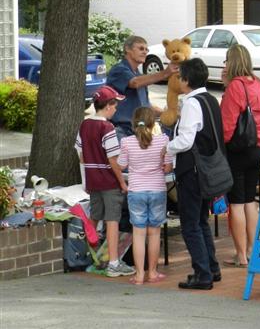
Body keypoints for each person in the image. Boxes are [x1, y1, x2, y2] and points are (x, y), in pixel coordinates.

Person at [165, 58, 223, 290]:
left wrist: (167, 148)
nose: (178, 80)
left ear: (186, 80)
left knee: (190, 224)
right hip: (208, 170)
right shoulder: (210, 99)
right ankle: (211, 267)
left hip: (192, 171)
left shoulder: (191, 104)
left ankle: (202, 274)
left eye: (180, 77)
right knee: (201, 221)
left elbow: (187, 140)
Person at [75, 86, 135, 278]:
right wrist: (122, 183)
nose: (116, 108)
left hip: (92, 180)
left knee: (95, 216)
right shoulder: (107, 128)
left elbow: (80, 152)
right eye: (115, 104)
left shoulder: (85, 125)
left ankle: (89, 255)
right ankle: (114, 263)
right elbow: (113, 159)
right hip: (108, 181)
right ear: (108, 106)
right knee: (112, 220)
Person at [220, 44, 260, 268]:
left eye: (226, 61)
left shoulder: (234, 87)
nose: (225, 65)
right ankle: (251, 249)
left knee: (236, 203)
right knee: (250, 201)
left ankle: (241, 255)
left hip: (239, 149)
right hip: (258, 146)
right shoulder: (258, 83)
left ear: (232, 62)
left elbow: (227, 125)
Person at [117, 107, 172, 285]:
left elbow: (121, 164)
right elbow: (168, 167)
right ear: (153, 123)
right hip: (157, 189)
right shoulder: (163, 140)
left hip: (136, 191)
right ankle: (153, 272)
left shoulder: (126, 142)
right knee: (154, 233)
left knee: (138, 234)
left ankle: (139, 274)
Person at [107, 35, 178, 140]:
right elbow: (135, 83)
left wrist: (168, 114)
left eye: (146, 49)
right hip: (122, 131)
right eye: (141, 48)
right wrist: (165, 73)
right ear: (127, 49)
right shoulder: (119, 70)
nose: (145, 52)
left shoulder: (138, 74)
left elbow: (145, 105)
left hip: (139, 131)